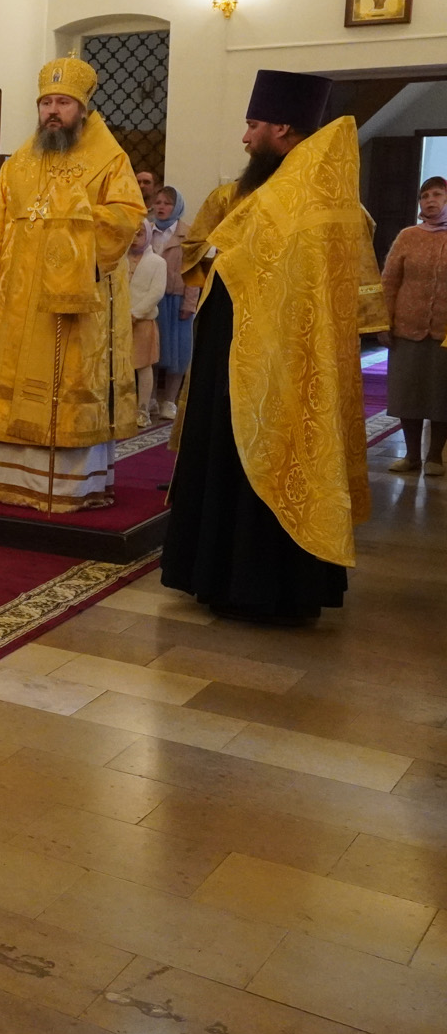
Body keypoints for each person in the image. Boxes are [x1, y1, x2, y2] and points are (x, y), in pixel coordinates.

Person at [162, 70, 388, 626]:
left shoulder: (314, 198)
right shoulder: (259, 193)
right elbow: (212, 251)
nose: (245, 137)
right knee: (227, 457)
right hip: (232, 353)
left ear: (282, 128)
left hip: (286, 361)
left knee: (275, 457)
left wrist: (234, 258)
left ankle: (266, 587)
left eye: (253, 125)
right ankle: (218, 576)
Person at [0, 57, 146, 512]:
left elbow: (128, 217)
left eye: (63, 102)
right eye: (46, 103)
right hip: (19, 303)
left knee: (67, 382)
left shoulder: (110, 159)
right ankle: (8, 479)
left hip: (74, 302)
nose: (53, 111)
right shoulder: (19, 163)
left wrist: (75, 221)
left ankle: (69, 486)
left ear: (82, 108)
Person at [380, 175, 447, 475]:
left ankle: (435, 457)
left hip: (445, 333)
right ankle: (411, 456)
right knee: (407, 394)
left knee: (442, 394)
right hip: (407, 328)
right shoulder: (407, 236)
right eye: (425, 196)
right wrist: (384, 322)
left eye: (437, 195)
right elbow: (389, 282)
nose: (430, 201)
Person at [149, 184, 193, 419]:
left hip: (176, 299)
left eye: (167, 203)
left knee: (177, 352)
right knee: (152, 350)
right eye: (158, 203)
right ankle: (150, 398)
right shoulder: (146, 230)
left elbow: (193, 273)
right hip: (151, 299)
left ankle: (169, 401)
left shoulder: (188, 234)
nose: (161, 207)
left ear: (177, 207)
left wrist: (189, 303)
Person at [127, 220, 166, 427]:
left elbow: (156, 292)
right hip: (121, 321)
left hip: (142, 321)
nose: (135, 238)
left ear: (149, 235)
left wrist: (136, 313)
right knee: (120, 366)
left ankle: (142, 410)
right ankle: (122, 408)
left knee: (143, 365)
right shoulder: (120, 259)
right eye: (132, 234)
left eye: (140, 234)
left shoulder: (157, 262)